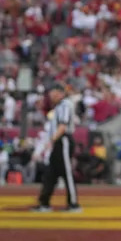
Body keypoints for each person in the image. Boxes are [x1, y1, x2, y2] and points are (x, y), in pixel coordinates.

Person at [34, 83, 81, 212]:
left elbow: (63, 125)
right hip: (58, 141)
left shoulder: (65, 104)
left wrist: (52, 140)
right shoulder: (59, 106)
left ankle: (73, 203)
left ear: (59, 93)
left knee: (66, 172)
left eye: (53, 93)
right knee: (51, 173)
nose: (50, 96)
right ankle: (44, 202)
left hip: (63, 140)